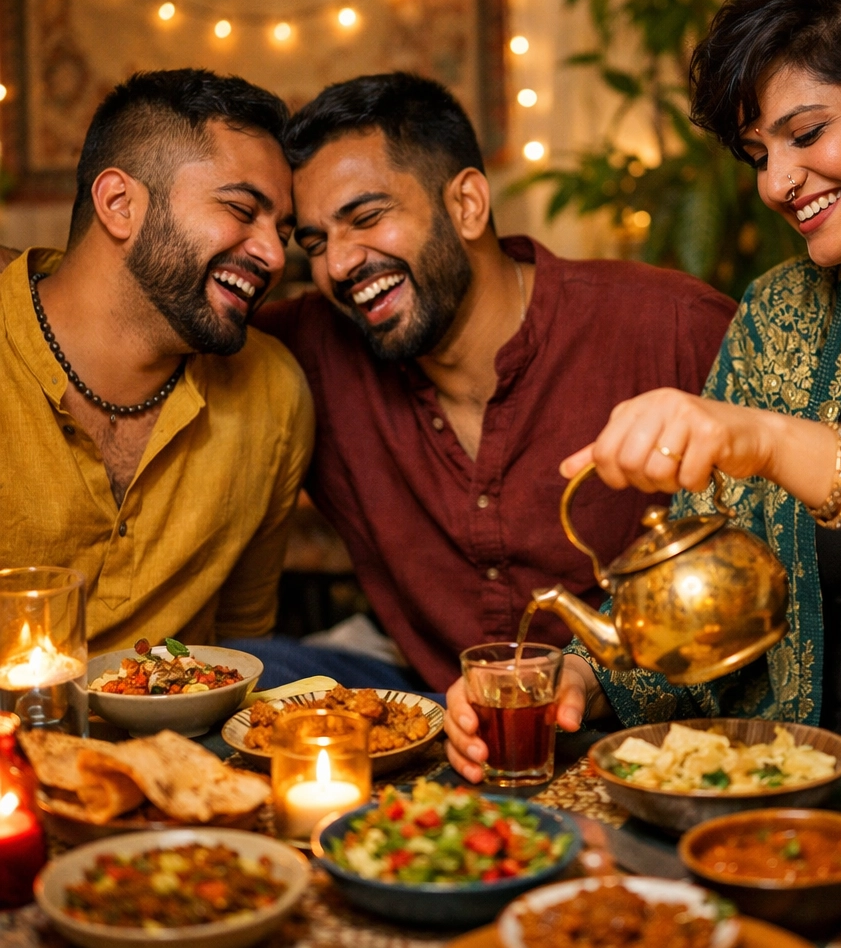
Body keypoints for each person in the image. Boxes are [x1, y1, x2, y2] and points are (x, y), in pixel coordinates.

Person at [444, 0, 841, 780]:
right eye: (759, 154)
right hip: (790, 797)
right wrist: (582, 675)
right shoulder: (780, 315)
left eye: (805, 134)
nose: (775, 182)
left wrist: (777, 443)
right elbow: (704, 599)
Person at [228, 72, 735, 697]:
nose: (338, 265)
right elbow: (172, 327)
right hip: (437, 701)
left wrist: (596, 681)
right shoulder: (307, 348)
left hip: (634, 705)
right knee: (242, 672)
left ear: (467, 204)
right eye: (316, 242)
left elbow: (777, 563)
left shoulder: (672, 327)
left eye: (367, 218)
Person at [0, 69, 314, 652]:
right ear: (120, 204)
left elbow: (243, 651)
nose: (274, 255)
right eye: (242, 209)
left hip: (187, 742)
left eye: (284, 232)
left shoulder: (273, 391)